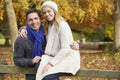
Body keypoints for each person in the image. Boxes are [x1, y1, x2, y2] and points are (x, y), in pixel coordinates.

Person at [35, 1, 80, 80]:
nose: (47, 14)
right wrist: (22, 29)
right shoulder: (47, 25)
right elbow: (33, 27)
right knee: (38, 67)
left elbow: (65, 49)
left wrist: (50, 64)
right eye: (44, 13)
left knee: (48, 77)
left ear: (54, 11)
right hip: (53, 57)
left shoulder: (62, 25)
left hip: (66, 58)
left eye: (49, 11)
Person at [14, 8, 46, 80]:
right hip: (32, 76)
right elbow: (17, 59)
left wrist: (77, 45)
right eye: (30, 20)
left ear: (40, 19)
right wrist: (31, 61)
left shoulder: (47, 34)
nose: (34, 22)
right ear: (27, 22)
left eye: (36, 18)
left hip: (48, 74)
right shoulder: (21, 39)